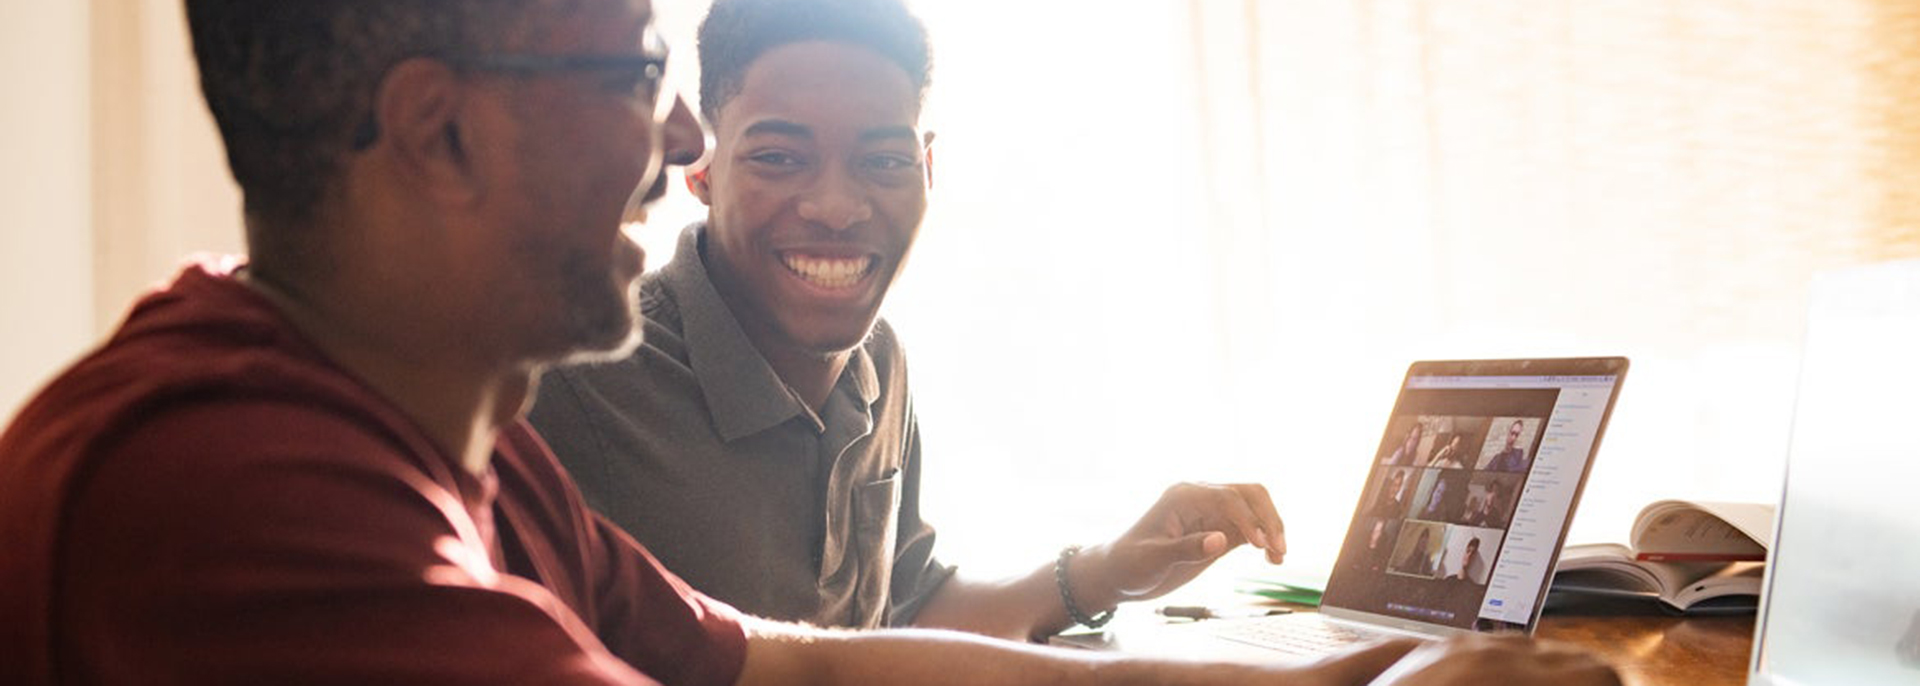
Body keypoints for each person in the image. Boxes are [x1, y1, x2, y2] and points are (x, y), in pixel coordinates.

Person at [0, 1, 1624, 685]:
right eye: (640, 69)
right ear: (438, 135)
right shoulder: (233, 500)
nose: (687, 133)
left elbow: (801, 660)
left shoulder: (460, 456)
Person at [529, 0, 1287, 640]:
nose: (835, 208)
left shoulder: (876, 361)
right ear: (701, 171)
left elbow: (910, 614)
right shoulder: (577, 377)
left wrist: (1109, 570)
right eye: (779, 158)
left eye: (883, 162)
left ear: (927, 171)